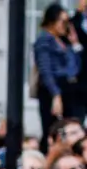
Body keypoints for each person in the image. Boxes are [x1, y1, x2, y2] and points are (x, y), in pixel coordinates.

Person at [36, 4, 80, 143]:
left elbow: (74, 67)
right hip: (53, 90)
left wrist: (75, 44)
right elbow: (45, 69)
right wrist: (56, 94)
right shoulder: (44, 39)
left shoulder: (63, 41)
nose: (65, 25)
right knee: (53, 129)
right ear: (52, 21)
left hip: (68, 88)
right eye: (63, 21)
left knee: (71, 127)